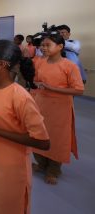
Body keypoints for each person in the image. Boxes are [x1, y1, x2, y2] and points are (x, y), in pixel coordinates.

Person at [0, 39, 50, 214]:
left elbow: (43, 142)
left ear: (2, 65)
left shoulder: (20, 97)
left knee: (3, 206)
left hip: (9, 167)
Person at [32, 33, 84, 185]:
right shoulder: (41, 62)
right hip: (41, 104)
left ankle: (54, 170)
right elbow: (37, 80)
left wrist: (52, 88)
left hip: (60, 108)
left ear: (60, 47)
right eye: (42, 45)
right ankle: (41, 164)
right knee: (38, 134)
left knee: (56, 138)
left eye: (48, 45)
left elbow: (78, 90)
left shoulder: (69, 66)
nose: (43, 48)